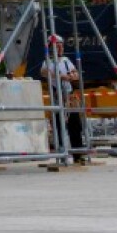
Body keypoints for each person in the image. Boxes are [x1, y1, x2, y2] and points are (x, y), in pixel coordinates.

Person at [40, 34, 87, 163]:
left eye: (61, 46)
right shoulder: (47, 62)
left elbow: (75, 73)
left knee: (75, 124)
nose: (60, 49)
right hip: (57, 95)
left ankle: (78, 154)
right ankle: (62, 153)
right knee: (59, 125)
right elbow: (45, 72)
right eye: (57, 46)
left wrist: (72, 76)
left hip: (69, 96)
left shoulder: (66, 60)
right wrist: (60, 76)